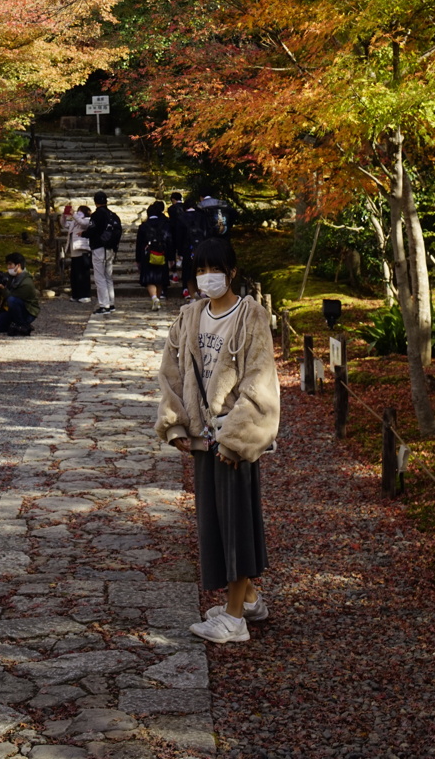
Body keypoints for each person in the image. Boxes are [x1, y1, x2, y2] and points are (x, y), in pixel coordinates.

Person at [156, 237, 279, 645]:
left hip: (233, 438)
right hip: (202, 436)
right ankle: (248, 601)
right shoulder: (190, 316)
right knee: (213, 521)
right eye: (201, 269)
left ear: (232, 273)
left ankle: (233, 619)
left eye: (216, 269)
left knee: (236, 522)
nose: (208, 277)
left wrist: (236, 439)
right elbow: (171, 373)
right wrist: (174, 424)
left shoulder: (250, 316)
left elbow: (259, 380)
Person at [87, 190, 122, 316]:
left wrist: (84, 234)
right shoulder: (113, 215)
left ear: (95, 202)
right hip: (110, 248)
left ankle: (104, 305)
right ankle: (111, 303)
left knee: (99, 277)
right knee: (108, 276)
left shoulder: (97, 215)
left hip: (99, 248)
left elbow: (92, 231)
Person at [0, 252, 40, 335]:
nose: (8, 267)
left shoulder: (26, 283)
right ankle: (11, 325)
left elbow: (12, 298)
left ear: (18, 265)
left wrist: (3, 289)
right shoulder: (12, 277)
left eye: (10, 265)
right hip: (10, 310)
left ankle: (21, 325)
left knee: (12, 300)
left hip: (27, 312)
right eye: (7, 265)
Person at [136, 200, 171, 310]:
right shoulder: (165, 225)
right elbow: (170, 241)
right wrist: (171, 257)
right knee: (160, 278)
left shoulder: (143, 226)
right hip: (162, 253)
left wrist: (138, 259)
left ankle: (154, 298)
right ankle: (158, 299)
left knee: (149, 279)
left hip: (147, 254)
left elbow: (139, 244)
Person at [68, 203, 92, 302]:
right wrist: (64, 216)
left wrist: (74, 214)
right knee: (74, 274)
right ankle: (76, 294)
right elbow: (64, 224)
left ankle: (85, 295)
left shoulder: (88, 220)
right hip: (74, 250)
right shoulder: (74, 222)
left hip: (82, 250)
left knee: (83, 274)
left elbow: (83, 224)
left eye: (80, 211)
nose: (78, 213)